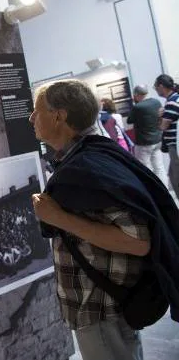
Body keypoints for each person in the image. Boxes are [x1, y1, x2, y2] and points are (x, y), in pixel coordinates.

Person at [28, 79, 174, 360]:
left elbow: (139, 241)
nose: (32, 118)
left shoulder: (87, 168)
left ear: (59, 116)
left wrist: (57, 217)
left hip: (100, 308)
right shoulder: (90, 157)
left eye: (37, 110)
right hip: (104, 305)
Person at [127, 85, 164, 180]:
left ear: (136, 95)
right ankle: (165, 189)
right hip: (157, 140)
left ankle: (153, 192)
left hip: (144, 143)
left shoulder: (138, 107)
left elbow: (129, 120)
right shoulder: (156, 102)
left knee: (145, 170)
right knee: (159, 168)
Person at [156, 74, 179, 194]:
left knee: (176, 178)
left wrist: (159, 116)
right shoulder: (176, 98)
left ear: (161, 86)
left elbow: (163, 127)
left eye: (156, 87)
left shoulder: (171, 103)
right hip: (175, 144)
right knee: (172, 174)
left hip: (174, 145)